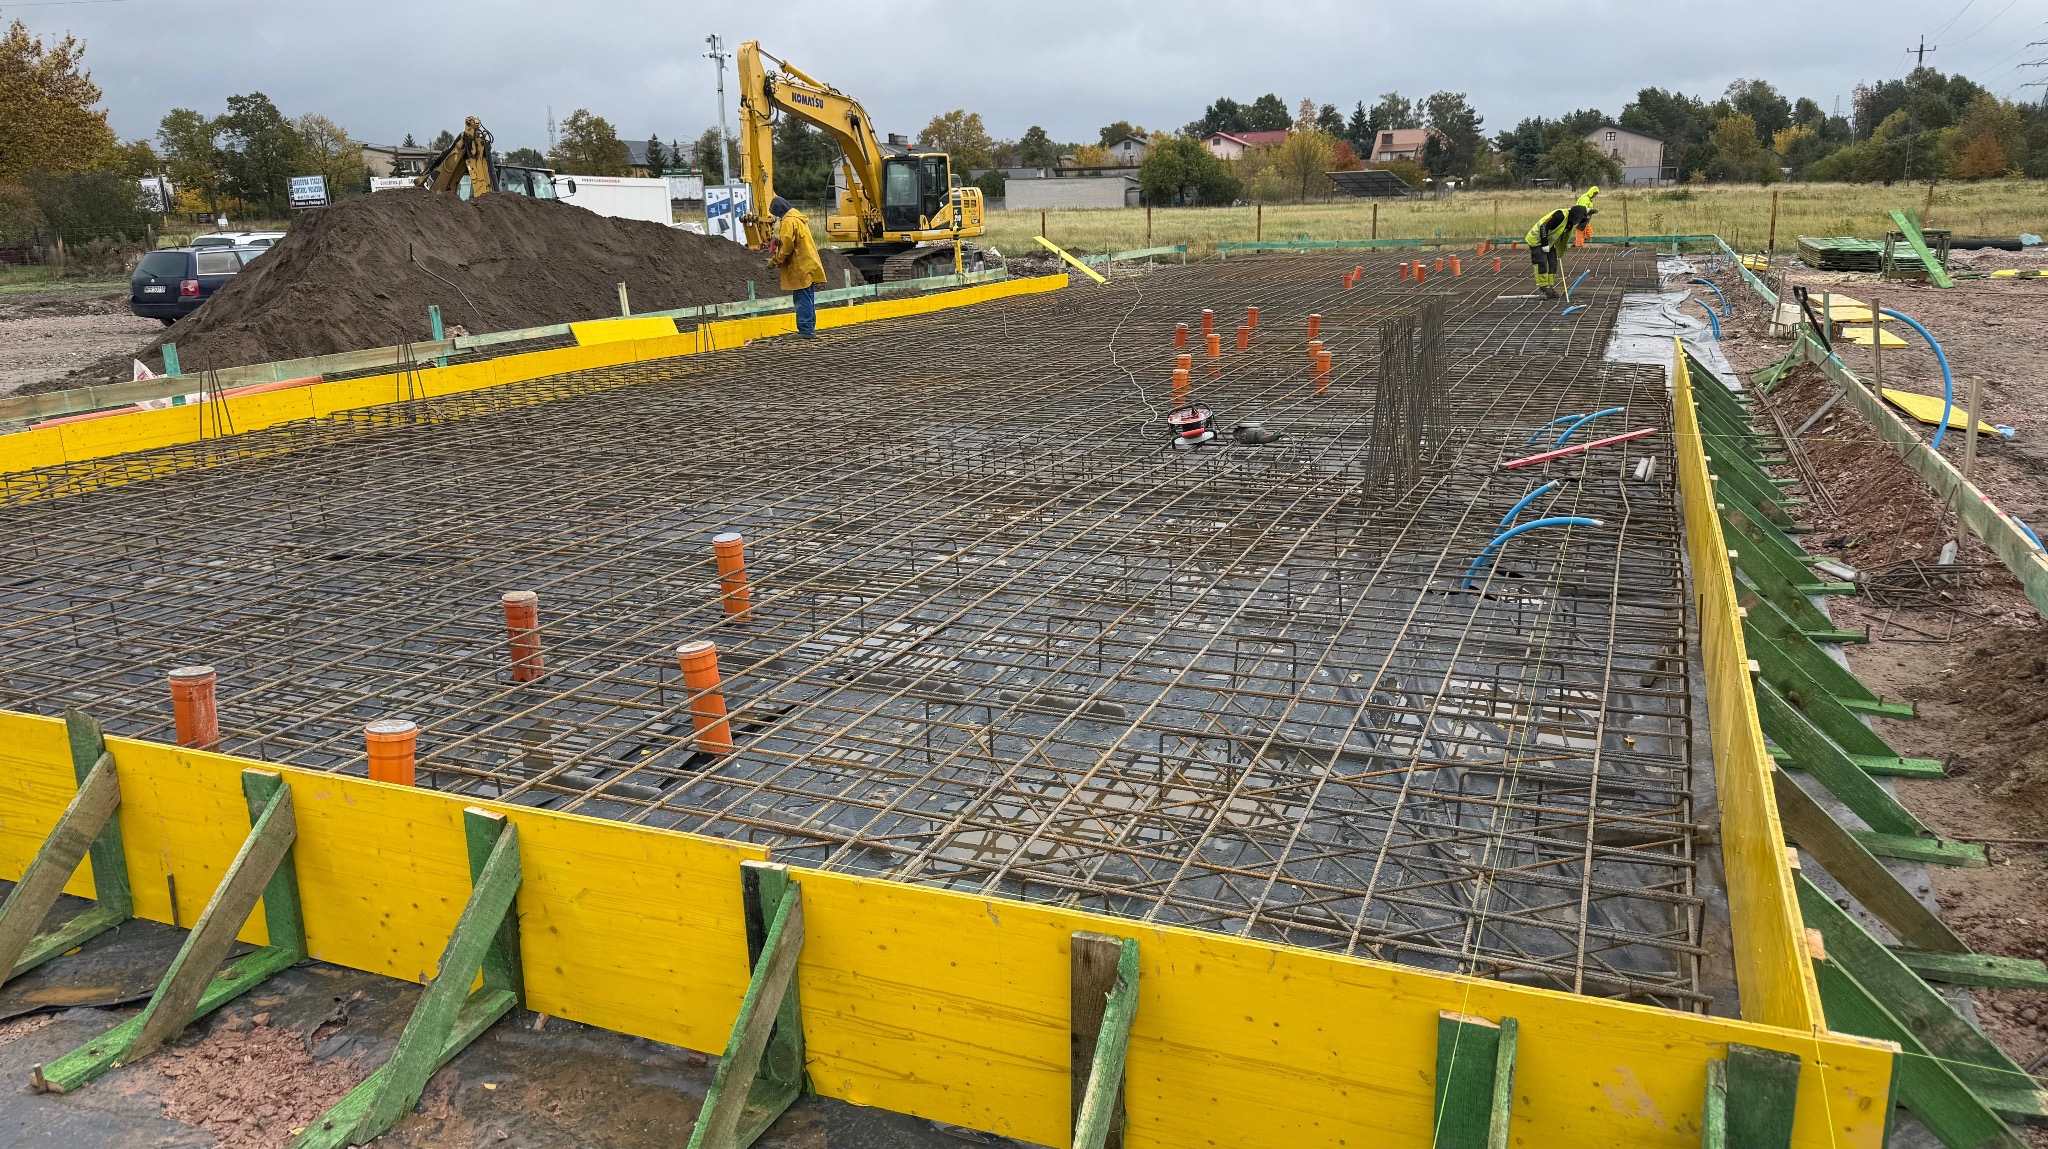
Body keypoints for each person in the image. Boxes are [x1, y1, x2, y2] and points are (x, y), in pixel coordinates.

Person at [766, 195, 827, 338]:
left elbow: (787, 245)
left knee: (801, 298)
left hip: (800, 266)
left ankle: (806, 330)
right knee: (808, 297)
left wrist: (775, 260)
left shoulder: (788, 221)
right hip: (808, 263)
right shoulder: (798, 219)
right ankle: (809, 328)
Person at [1524, 185, 1599, 299]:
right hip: (1537, 240)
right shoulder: (1560, 215)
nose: (1577, 222)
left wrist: (1560, 251)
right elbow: (1543, 227)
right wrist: (1544, 244)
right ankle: (1543, 289)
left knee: (1552, 263)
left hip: (1549, 242)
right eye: (1578, 220)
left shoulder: (1570, 222)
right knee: (1541, 263)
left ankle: (1549, 288)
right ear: (1574, 217)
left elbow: (1562, 237)